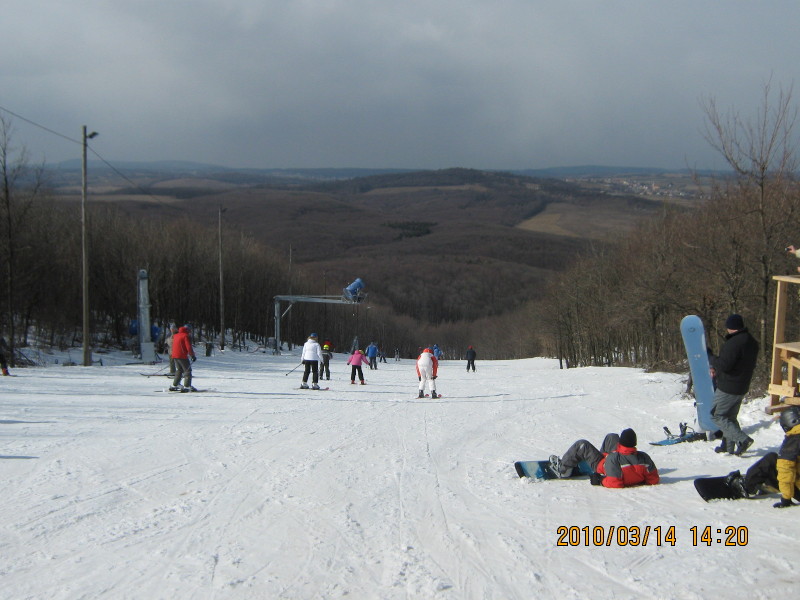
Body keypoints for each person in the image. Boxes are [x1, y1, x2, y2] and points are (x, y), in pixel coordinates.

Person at [724, 406, 800, 507]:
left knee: (771, 459)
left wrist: (786, 499)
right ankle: (767, 483)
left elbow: (785, 471)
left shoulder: (794, 441)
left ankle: (746, 486)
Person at [708, 314, 759, 455]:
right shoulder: (751, 341)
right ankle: (727, 447)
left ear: (730, 327)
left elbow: (724, 365)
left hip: (729, 387)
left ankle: (743, 439)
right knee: (729, 417)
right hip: (742, 385)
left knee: (716, 415)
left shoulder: (734, 343)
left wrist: (710, 357)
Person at [549, 428, 660, 488]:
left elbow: (615, 483)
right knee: (612, 436)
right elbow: (654, 479)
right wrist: (638, 479)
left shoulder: (613, 459)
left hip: (602, 465)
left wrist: (600, 480)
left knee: (582, 445)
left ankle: (563, 470)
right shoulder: (644, 457)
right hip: (622, 456)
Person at [169, 326, 197, 391]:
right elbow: (188, 347)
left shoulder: (176, 335)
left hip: (175, 355)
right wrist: (192, 355)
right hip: (182, 356)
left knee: (179, 370)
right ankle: (187, 386)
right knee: (187, 370)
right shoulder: (185, 336)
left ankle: (175, 384)